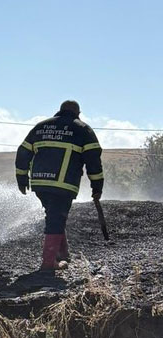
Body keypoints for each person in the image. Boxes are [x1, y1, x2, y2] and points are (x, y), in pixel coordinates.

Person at [15, 100, 104, 271]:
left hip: (40, 183)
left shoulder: (40, 127)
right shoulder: (82, 129)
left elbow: (23, 152)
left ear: (60, 111)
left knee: (54, 214)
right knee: (56, 218)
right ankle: (49, 263)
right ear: (78, 113)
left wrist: (22, 178)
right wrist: (97, 186)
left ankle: (62, 253)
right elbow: (93, 160)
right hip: (64, 184)